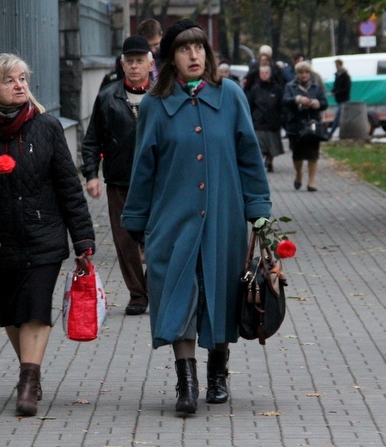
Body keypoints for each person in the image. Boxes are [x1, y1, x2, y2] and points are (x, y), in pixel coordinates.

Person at [121, 19, 271, 414]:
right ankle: (185, 381)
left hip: (224, 218)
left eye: (199, 48)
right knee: (179, 296)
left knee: (220, 292)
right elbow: (143, 168)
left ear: (208, 54)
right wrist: (135, 221)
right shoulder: (155, 104)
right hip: (173, 220)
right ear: (170, 58)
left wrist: (259, 212)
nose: (194, 55)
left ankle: (217, 375)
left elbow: (250, 158)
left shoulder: (230, 96)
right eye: (185, 49)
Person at [0, 53, 96, 416]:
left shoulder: (46, 127)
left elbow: (68, 186)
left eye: (23, 79)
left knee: (35, 309)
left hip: (44, 234)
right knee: (13, 314)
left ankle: (27, 383)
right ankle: (30, 371)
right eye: (10, 80)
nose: (19, 86)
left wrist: (83, 240)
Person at [82, 35, 153, 316]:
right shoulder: (107, 97)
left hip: (157, 182)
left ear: (150, 63)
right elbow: (91, 141)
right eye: (130, 61)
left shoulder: (163, 96)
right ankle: (138, 295)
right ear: (122, 64)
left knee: (159, 237)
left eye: (140, 61)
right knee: (125, 241)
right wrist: (91, 174)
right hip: (120, 181)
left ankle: (153, 288)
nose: (135, 67)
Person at [282, 60, 328, 192]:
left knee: (313, 154)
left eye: (306, 72)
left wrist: (316, 103)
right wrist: (297, 99)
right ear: (297, 74)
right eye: (301, 72)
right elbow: (284, 100)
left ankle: (311, 182)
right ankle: (299, 174)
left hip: (313, 124)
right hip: (296, 125)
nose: (304, 75)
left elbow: (325, 103)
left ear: (310, 73)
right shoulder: (290, 86)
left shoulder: (316, 87)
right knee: (297, 155)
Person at [247, 64, 285, 172]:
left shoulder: (277, 89)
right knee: (259, 145)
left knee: (272, 147)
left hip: (273, 122)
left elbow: (281, 105)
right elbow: (250, 104)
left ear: (270, 74)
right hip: (258, 122)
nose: (264, 75)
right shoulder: (255, 89)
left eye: (266, 73)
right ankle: (260, 162)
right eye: (262, 73)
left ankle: (270, 161)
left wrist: (281, 118)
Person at [326, 59, 351, 139]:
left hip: (343, 99)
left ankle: (330, 134)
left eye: (336, 65)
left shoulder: (345, 76)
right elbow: (336, 86)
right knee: (340, 117)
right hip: (339, 99)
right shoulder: (337, 75)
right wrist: (333, 91)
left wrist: (335, 93)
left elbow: (345, 88)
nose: (336, 67)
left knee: (337, 117)